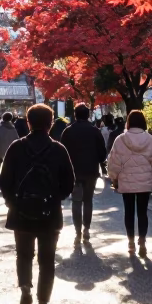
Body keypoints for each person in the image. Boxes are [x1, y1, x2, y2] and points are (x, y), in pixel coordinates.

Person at [0, 103, 76, 304]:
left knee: (23, 256)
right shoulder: (58, 149)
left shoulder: (16, 147)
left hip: (21, 212)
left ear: (28, 122)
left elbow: (4, 179)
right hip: (49, 214)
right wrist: (54, 198)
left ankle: (25, 291)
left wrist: (12, 202)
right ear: (50, 124)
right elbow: (69, 183)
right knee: (47, 261)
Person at [107, 110, 152, 256]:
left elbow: (113, 163)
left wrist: (114, 177)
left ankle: (131, 243)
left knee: (129, 212)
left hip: (126, 182)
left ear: (129, 122)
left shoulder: (120, 140)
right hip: (144, 183)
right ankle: (143, 242)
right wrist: (151, 173)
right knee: (142, 212)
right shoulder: (150, 139)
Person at [59, 103, 108, 241]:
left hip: (74, 171)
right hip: (91, 171)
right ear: (88, 115)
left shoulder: (68, 131)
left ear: (75, 115)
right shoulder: (95, 131)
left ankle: (77, 231)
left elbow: (62, 152)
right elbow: (102, 153)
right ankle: (86, 228)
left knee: (76, 201)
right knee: (88, 200)